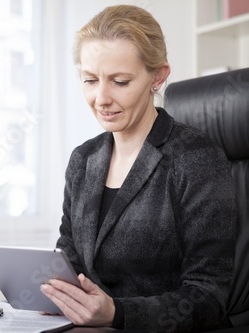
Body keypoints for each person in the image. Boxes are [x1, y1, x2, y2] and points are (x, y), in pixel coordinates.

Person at [40, 5, 237, 333]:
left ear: (158, 76)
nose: (100, 98)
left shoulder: (196, 158)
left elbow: (208, 296)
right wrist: (56, 296)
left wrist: (117, 312)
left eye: (119, 81)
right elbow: (70, 262)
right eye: (90, 80)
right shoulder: (83, 160)